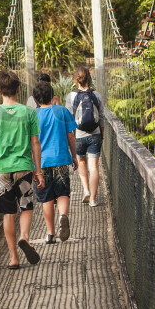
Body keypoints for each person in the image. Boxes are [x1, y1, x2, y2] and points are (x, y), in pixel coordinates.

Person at [0, 69, 44, 269]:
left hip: (1, 170)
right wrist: (39, 170)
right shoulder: (29, 112)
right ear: (18, 89)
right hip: (24, 168)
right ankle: (24, 236)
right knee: (26, 206)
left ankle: (13, 258)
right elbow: (35, 143)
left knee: (8, 213)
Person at [32, 81, 78, 243]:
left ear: (35, 99)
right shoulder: (62, 111)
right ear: (52, 95)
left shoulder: (33, 115)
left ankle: (50, 233)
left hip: (41, 162)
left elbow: (31, 142)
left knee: (46, 197)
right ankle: (63, 216)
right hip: (60, 159)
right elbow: (71, 136)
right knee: (63, 192)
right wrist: (74, 156)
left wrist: (32, 166)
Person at [65, 66, 103, 207]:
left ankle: (86, 190)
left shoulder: (71, 96)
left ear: (76, 80)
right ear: (90, 79)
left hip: (78, 136)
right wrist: (101, 135)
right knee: (94, 166)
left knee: (81, 162)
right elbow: (102, 117)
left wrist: (70, 138)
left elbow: (68, 118)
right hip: (95, 134)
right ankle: (93, 199)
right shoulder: (96, 95)